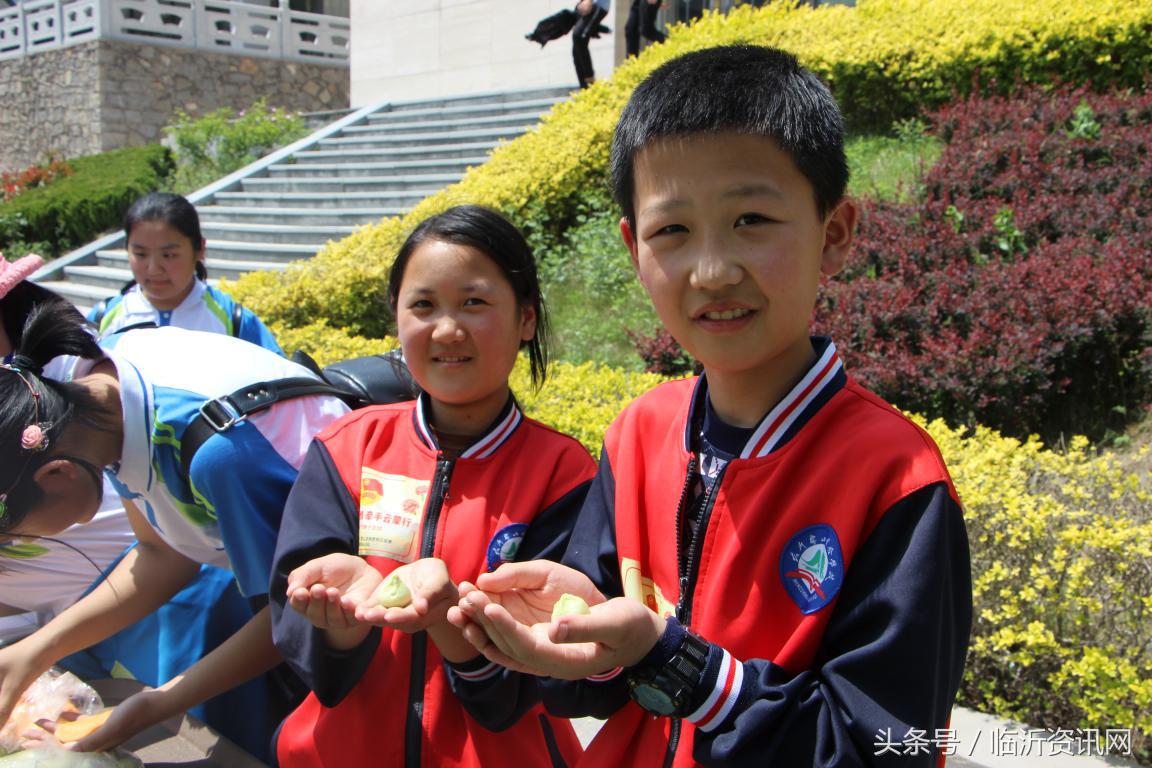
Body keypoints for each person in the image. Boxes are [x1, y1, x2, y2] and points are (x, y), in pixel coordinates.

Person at [450, 46, 973, 767]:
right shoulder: (640, 435)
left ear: (835, 233)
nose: (713, 270)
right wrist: (578, 640)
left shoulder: (896, 479)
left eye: (751, 219)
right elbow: (595, 682)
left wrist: (682, 666)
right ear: (634, 249)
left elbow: (886, 749)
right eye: (672, 231)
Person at [270, 205, 596, 767]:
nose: (447, 330)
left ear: (526, 319)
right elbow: (298, 637)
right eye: (423, 305)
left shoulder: (563, 473)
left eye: (474, 303)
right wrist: (342, 623)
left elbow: (542, 679)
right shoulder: (347, 447)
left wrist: (450, 619)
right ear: (396, 317)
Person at [0, 305, 349, 756]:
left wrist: (157, 705)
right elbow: (161, 553)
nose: (23, 544)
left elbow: (296, 613)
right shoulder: (99, 399)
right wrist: (35, 651)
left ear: (56, 474)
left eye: (16, 535)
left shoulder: (220, 453)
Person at [89, 192, 281, 354]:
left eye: (169, 255)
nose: (154, 269)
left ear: (199, 249)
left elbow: (283, 378)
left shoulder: (234, 321)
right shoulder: (102, 320)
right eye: (140, 254)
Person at [573, 0, 611, 88]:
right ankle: (584, 87)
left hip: (597, 5)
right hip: (585, 4)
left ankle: (590, 82)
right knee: (576, 47)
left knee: (578, 37)